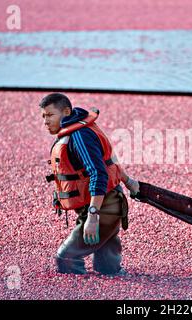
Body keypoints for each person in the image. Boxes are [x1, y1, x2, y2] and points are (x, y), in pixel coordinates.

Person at [39, 93, 139, 275]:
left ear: (67, 112)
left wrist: (93, 216)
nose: (45, 121)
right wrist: (129, 181)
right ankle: (113, 283)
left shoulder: (79, 136)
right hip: (105, 202)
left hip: (104, 207)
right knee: (108, 267)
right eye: (43, 116)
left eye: (50, 115)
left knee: (66, 259)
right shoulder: (79, 129)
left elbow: (98, 173)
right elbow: (109, 160)